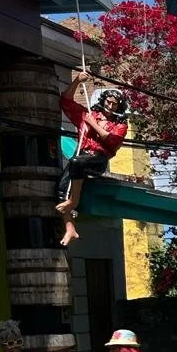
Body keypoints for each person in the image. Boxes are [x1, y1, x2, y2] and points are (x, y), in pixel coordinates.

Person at [57, 71, 129, 247]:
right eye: (108, 102)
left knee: (76, 162)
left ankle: (74, 200)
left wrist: (93, 124)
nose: (110, 106)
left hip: (98, 159)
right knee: (60, 191)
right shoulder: (88, 114)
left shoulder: (120, 125)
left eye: (114, 104)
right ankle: (70, 227)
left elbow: (110, 139)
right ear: (103, 101)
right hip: (81, 155)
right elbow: (65, 101)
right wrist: (77, 81)